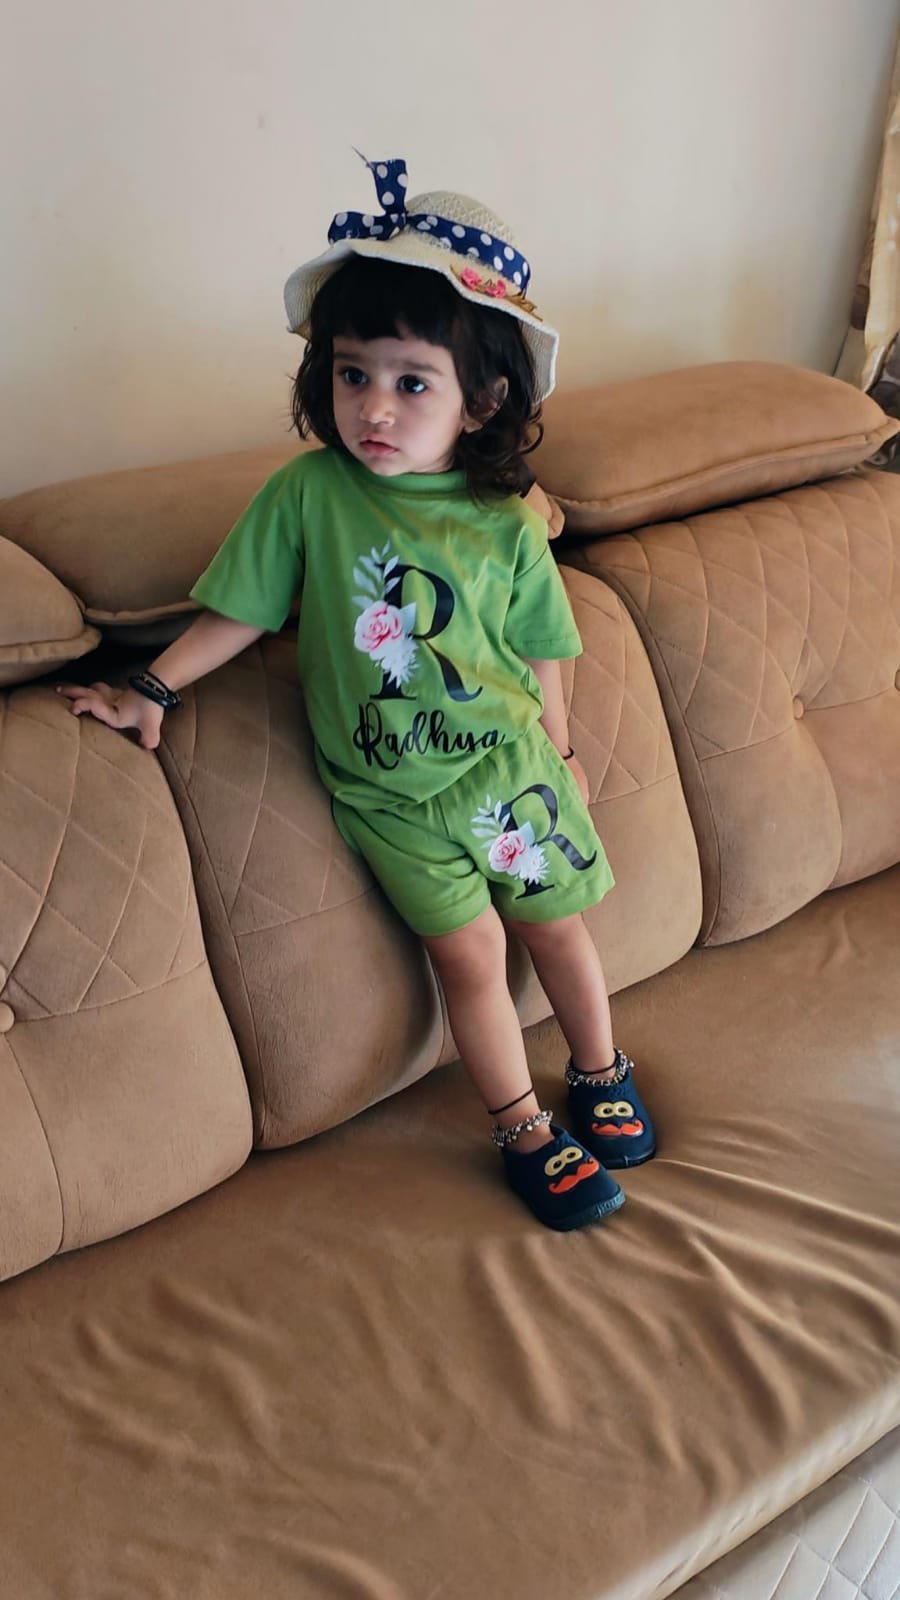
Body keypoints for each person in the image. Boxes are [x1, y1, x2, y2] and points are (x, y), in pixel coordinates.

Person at [58, 154, 656, 1231]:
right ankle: (524, 1126)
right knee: (471, 957)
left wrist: (562, 753)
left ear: (483, 399)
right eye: (351, 374)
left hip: (512, 775)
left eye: (411, 381)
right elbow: (244, 609)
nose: (373, 406)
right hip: (391, 800)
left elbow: (543, 645)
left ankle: (600, 1067)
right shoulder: (306, 496)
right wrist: (151, 686)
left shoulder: (508, 521)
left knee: (560, 930)